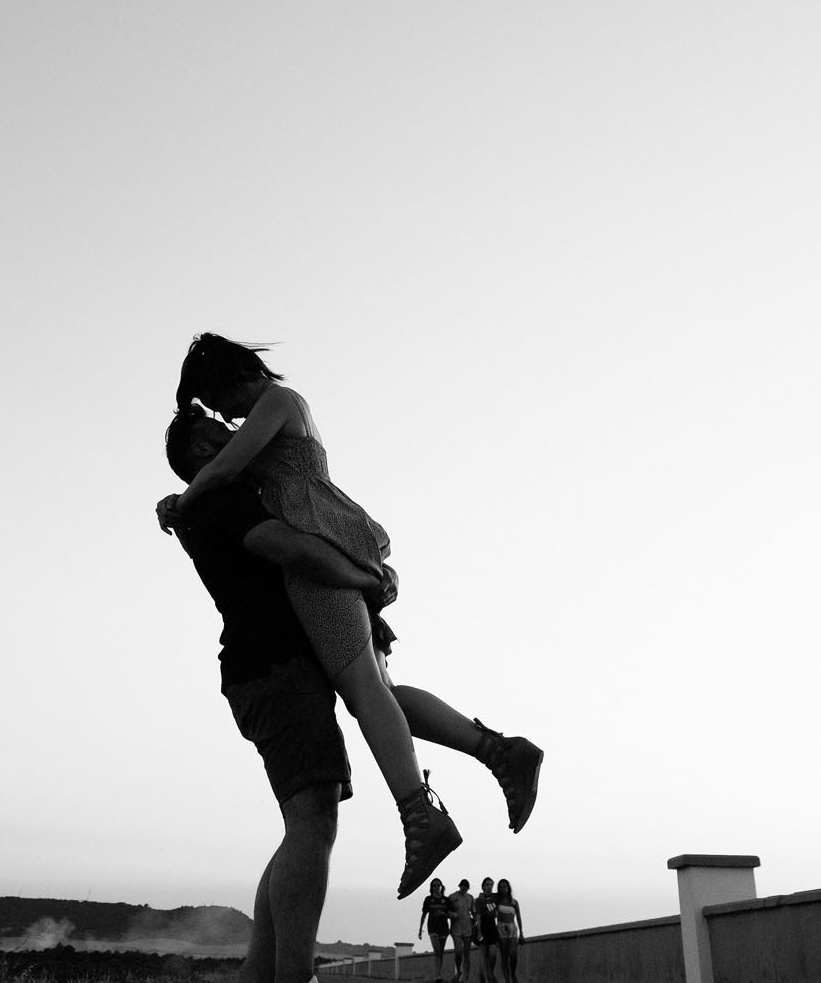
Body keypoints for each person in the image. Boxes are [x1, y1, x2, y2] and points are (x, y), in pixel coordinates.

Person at [161, 335, 546, 898]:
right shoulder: (278, 410)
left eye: (217, 400)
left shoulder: (275, 403)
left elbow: (223, 469)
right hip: (334, 534)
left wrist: (178, 503)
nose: (223, 416)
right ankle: (499, 752)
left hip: (317, 546)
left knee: (363, 688)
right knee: (378, 686)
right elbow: (224, 464)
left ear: (229, 375)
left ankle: (421, 818)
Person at [160, 412, 387, 983]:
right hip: (273, 669)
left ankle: (259, 975)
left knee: (304, 825)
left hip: (271, 670)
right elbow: (295, 551)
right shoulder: (220, 503)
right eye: (214, 439)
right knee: (314, 818)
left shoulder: (224, 499)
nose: (235, 439)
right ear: (200, 459)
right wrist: (366, 579)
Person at [418, 878, 453, 980]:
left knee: (441, 952)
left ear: (441, 886)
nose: (436, 887)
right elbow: (424, 915)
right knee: (437, 951)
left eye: (438, 885)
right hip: (433, 928)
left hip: (444, 928)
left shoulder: (446, 900)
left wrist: (444, 914)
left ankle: (439, 974)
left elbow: (452, 914)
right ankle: (437, 975)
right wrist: (420, 929)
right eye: (434, 885)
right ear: (431, 888)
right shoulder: (428, 899)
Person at [491, 878, 524, 983]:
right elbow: (490, 910)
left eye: (505, 887)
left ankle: (513, 973)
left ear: (508, 888)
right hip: (501, 928)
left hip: (512, 928)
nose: (503, 889)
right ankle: (507, 979)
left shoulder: (514, 902)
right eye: (500, 887)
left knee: (513, 954)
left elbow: (518, 917)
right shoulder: (497, 901)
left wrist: (522, 934)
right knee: (504, 956)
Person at [448, 879, 478, 983]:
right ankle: (459, 972)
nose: (464, 890)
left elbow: (474, 912)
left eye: (466, 889)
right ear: (459, 886)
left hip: (468, 929)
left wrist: (475, 920)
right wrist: (451, 914)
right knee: (458, 952)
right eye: (463, 888)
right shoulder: (452, 897)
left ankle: (466, 978)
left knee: (467, 954)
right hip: (456, 928)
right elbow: (447, 911)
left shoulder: (470, 898)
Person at [473, 875, 501, 983]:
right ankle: (485, 978)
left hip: (492, 925)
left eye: (491, 885)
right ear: (483, 886)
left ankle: (490, 972)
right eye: (487, 885)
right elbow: (479, 916)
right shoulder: (479, 900)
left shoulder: (495, 897)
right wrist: (479, 931)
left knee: (493, 953)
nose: (489, 887)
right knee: (484, 956)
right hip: (483, 925)